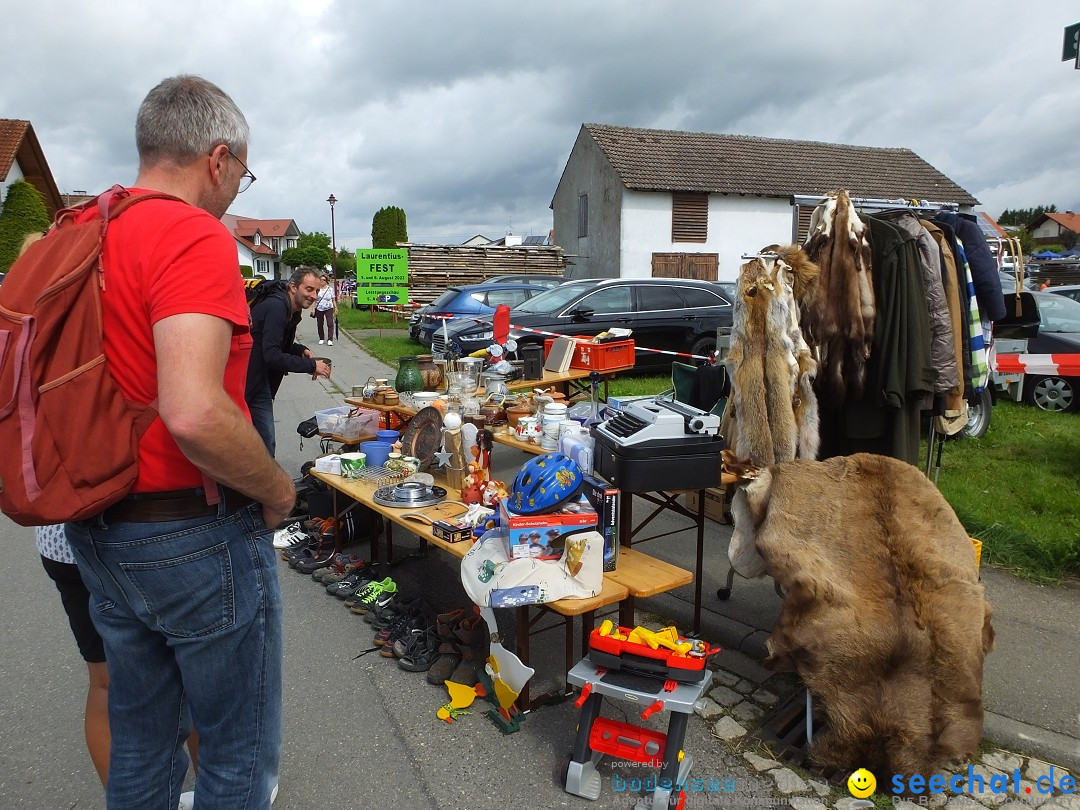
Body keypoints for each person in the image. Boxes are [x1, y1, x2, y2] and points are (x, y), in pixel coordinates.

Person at [64, 75, 294, 810]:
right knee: (236, 755)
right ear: (217, 159)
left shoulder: (83, 231)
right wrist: (276, 488)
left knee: (141, 738)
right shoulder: (190, 231)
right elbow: (193, 412)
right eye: (241, 173)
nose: (235, 190)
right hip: (189, 529)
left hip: (98, 524)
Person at [246, 267, 332, 456]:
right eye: (309, 289)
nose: (314, 296)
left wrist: (300, 350)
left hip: (258, 381)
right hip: (248, 383)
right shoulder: (277, 307)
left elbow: (275, 343)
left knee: (261, 442)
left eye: (317, 291)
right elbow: (272, 355)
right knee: (263, 443)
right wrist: (311, 366)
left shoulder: (291, 310)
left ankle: (256, 483)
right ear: (293, 287)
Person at [313, 273, 337, 345]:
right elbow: (314, 300)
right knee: (320, 323)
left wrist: (335, 308)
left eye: (323, 280)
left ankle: (330, 339)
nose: (321, 281)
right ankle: (321, 338)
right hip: (319, 308)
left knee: (330, 323)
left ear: (326, 281)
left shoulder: (330, 289)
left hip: (329, 307)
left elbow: (333, 299)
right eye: (320, 280)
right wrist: (313, 309)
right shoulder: (317, 289)